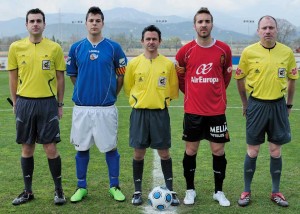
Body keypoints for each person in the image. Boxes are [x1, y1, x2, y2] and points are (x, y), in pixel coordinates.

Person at [235, 15, 298, 207]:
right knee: (253, 151)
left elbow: (292, 79)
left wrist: (288, 104)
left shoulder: (287, 53)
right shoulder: (248, 52)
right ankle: (246, 191)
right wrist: (245, 103)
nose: (268, 31)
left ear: (276, 30)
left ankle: (276, 192)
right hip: (256, 105)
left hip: (278, 105)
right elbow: (239, 78)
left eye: (271, 27)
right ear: (258, 31)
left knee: (275, 150)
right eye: (264, 28)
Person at [66, 6, 127, 203]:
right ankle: (81, 187)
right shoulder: (76, 48)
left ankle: (114, 186)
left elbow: (121, 75)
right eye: (91, 20)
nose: (94, 23)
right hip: (82, 108)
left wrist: (111, 94)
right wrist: (84, 91)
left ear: (102, 23)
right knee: (81, 148)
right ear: (86, 23)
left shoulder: (113, 47)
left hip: (106, 108)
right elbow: (73, 75)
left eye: (97, 20)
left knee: (110, 148)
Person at [7, 8, 66, 205]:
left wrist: (59, 104)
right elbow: (13, 77)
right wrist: (15, 101)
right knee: (27, 147)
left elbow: (60, 78)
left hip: (47, 103)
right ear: (26, 24)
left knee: (50, 148)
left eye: (38, 21)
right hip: (25, 102)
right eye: (31, 21)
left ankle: (59, 191)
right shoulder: (16, 47)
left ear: (44, 24)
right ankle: (28, 192)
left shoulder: (54, 48)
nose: (35, 24)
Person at [175, 7, 232, 206]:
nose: (204, 25)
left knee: (218, 151)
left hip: (216, 111)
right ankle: (190, 190)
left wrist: (216, 92)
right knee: (190, 151)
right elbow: (180, 77)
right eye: (200, 22)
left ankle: (219, 191)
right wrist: (192, 92)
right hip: (193, 111)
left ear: (212, 24)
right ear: (195, 25)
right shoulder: (185, 51)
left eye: (207, 21)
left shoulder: (224, 49)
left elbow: (226, 76)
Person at [123, 25, 180, 206]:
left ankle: (170, 189)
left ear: (159, 41)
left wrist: (161, 102)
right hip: (139, 114)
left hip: (160, 114)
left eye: (154, 39)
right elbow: (128, 87)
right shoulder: (133, 64)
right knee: (138, 153)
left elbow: (172, 89)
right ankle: (137, 191)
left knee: (164, 152)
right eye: (148, 39)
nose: (151, 42)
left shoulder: (167, 64)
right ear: (142, 41)